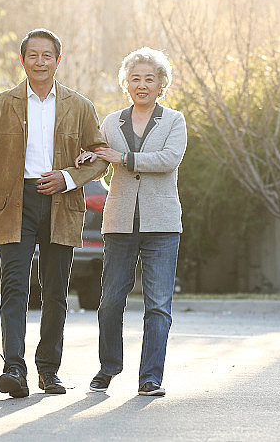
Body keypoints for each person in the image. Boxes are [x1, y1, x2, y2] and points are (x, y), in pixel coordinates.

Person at [0, 28, 109, 398]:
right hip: (13, 202)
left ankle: (48, 370)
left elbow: (100, 154)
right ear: (23, 60)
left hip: (61, 202)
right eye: (33, 55)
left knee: (55, 292)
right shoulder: (2, 104)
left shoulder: (79, 105)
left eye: (47, 55)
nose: (40, 61)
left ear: (57, 60)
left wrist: (69, 177)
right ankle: (14, 368)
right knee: (14, 288)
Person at [75, 47, 187, 396]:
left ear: (160, 84)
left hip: (163, 226)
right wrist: (89, 157)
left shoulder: (174, 121)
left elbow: (167, 160)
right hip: (120, 222)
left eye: (149, 79)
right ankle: (109, 367)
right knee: (109, 301)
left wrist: (121, 157)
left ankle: (150, 377)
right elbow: (102, 160)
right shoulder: (111, 122)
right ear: (126, 83)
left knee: (158, 305)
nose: (142, 85)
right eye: (135, 78)